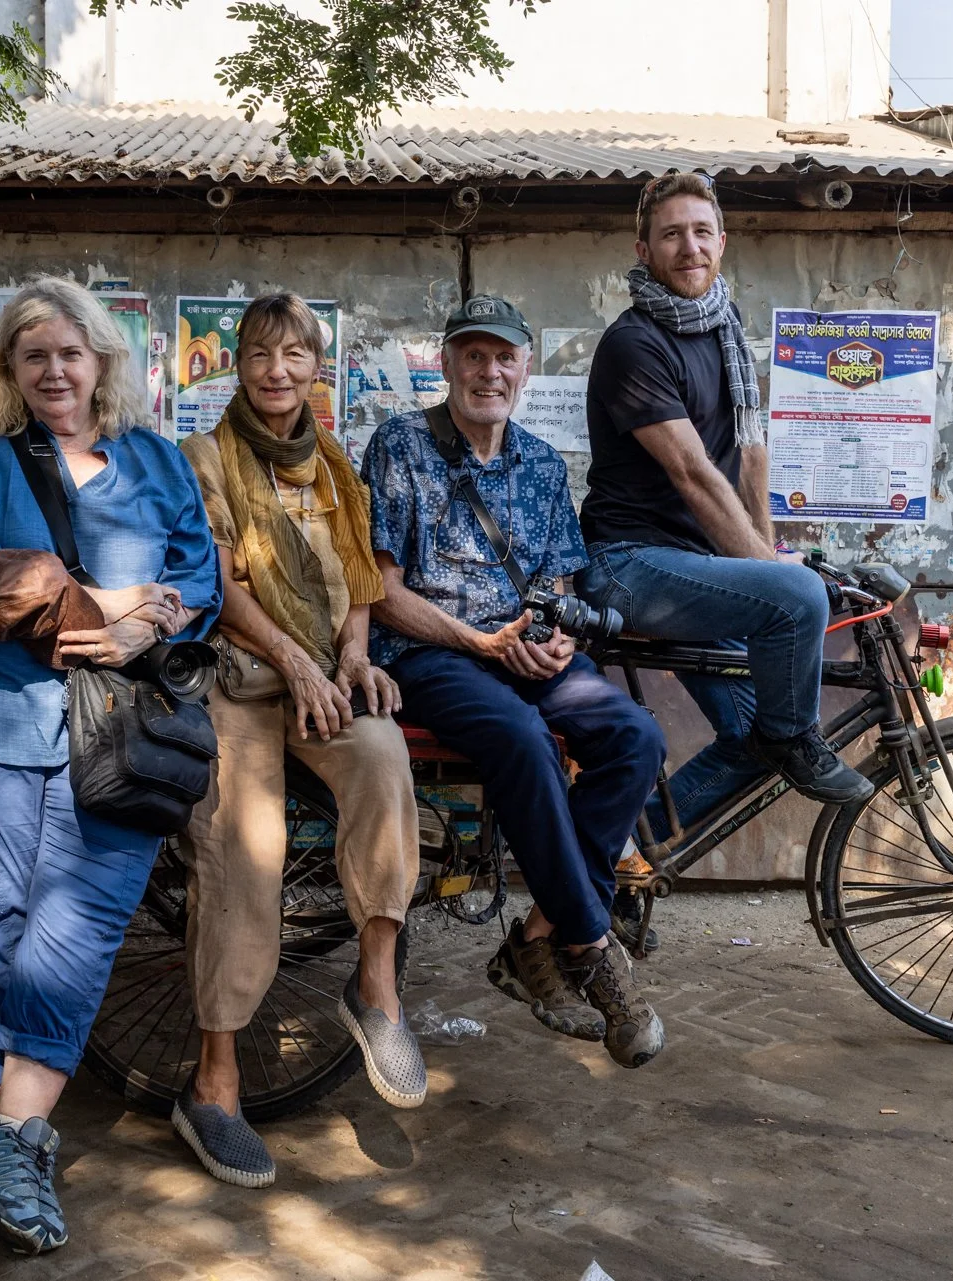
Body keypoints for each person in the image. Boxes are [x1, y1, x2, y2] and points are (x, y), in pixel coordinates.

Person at [0, 276, 220, 1255]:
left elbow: (199, 583)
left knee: (80, 928)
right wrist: (112, 601)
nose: (54, 369)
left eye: (70, 353)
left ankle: (4, 1134)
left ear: (102, 363)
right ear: (11, 368)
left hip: (121, 737)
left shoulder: (156, 462)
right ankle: (18, 1138)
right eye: (32, 354)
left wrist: (147, 620)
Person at [360, 295, 668, 1070]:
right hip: (435, 652)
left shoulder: (540, 461)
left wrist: (559, 638)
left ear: (524, 368)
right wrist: (481, 644)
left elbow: (562, 579)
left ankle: (536, 937)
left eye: (504, 357)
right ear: (447, 363)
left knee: (636, 735)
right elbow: (382, 588)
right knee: (523, 738)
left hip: (526, 649)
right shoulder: (401, 445)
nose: (488, 372)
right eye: (472, 355)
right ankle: (592, 948)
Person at [172, 293, 423, 1189]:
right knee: (247, 851)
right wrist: (293, 657)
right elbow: (214, 584)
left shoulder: (333, 468)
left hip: (321, 674)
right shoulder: (203, 458)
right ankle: (214, 1082)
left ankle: (377, 985)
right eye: (260, 354)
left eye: (296, 355)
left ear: (319, 368)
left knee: (385, 759)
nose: (278, 371)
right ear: (235, 363)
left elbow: (357, 577)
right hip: (241, 678)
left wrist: (354, 656)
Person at [574, 173, 873, 865]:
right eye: (672, 234)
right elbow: (693, 475)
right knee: (792, 606)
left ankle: (606, 857)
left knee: (749, 740)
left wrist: (765, 553)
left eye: (701, 232)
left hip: (691, 568)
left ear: (722, 243)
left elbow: (750, 459)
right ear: (643, 248)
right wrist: (771, 577)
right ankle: (797, 737)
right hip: (624, 565)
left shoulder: (725, 331)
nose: (689, 248)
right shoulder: (634, 343)